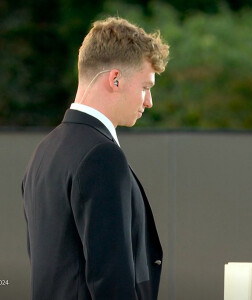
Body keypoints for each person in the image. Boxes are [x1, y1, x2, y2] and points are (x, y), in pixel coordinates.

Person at [21, 17, 169, 300]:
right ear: (115, 79)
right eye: (145, 87)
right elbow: (111, 281)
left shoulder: (44, 152)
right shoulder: (101, 156)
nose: (149, 102)